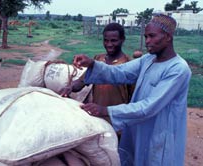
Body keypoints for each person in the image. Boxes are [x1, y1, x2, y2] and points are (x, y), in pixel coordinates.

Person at [71, 14, 192, 166]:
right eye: (146, 36)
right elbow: (119, 72)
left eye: (152, 36)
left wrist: (106, 110)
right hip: (139, 127)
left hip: (160, 132)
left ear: (167, 37)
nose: (147, 41)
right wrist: (92, 64)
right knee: (134, 158)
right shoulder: (148, 59)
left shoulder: (178, 69)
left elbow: (150, 107)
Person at [61, 23, 134, 124]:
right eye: (106, 40)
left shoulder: (129, 65)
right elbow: (82, 81)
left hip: (118, 122)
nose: (109, 44)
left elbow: (134, 101)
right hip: (97, 120)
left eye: (114, 41)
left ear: (122, 40)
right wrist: (70, 87)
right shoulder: (98, 60)